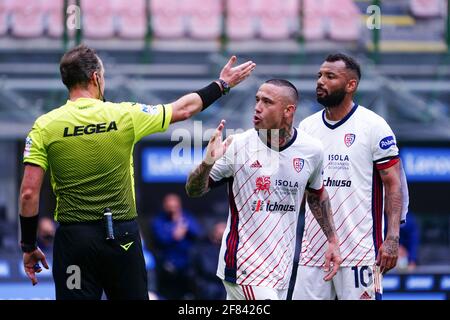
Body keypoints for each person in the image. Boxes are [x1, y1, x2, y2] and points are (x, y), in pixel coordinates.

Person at [18, 44, 256, 300]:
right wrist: (222, 84)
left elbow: (29, 194)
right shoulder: (125, 115)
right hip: (122, 239)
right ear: (95, 78)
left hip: (75, 243)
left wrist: (29, 246)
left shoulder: (44, 126)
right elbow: (184, 109)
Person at [185, 79, 342, 300]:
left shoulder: (311, 150)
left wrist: (333, 240)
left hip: (280, 268)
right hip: (244, 265)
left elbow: (317, 195)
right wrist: (207, 162)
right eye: (257, 99)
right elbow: (193, 190)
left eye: (267, 102)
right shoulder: (237, 145)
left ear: (288, 111)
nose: (258, 107)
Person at [292, 53, 403, 300]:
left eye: (330, 76)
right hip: (313, 254)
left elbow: (393, 185)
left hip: (364, 253)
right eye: (319, 75)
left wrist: (392, 237)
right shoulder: (307, 128)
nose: (320, 81)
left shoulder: (374, 126)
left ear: (351, 85)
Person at [151, 193, 201, 299]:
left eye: (175, 206)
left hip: (186, 265)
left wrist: (181, 223)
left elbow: (197, 233)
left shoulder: (186, 217)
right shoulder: (159, 220)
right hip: (167, 265)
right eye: (170, 207)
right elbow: (160, 239)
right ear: (165, 206)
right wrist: (174, 236)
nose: (172, 209)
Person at [189, 220, 227, 300]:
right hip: (207, 286)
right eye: (220, 235)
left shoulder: (231, 250)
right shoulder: (202, 248)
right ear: (213, 233)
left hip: (225, 286)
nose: (222, 238)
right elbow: (197, 270)